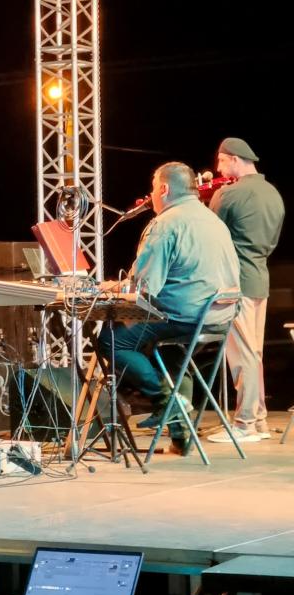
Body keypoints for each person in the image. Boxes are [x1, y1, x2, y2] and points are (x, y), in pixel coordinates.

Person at [98, 161, 240, 442]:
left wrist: (110, 288)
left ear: (163, 189)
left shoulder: (166, 223)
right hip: (218, 318)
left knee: (112, 340)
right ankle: (179, 430)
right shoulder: (213, 220)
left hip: (184, 316)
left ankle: (167, 402)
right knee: (166, 351)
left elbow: (145, 287)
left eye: (153, 189)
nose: (151, 196)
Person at [207, 137, 285, 443]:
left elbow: (210, 237)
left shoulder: (228, 194)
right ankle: (258, 420)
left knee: (243, 355)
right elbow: (272, 241)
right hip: (259, 279)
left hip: (234, 282)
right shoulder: (274, 194)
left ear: (234, 159)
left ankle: (245, 423)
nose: (218, 169)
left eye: (221, 161)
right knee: (254, 352)